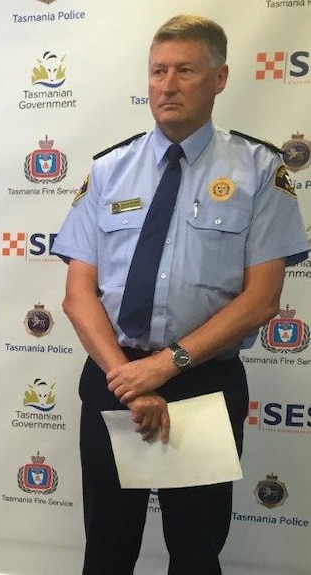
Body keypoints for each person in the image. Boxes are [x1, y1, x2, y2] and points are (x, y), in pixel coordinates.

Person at [51, 14, 309, 575]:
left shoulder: (260, 170)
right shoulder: (108, 171)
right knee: (107, 551)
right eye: (158, 71)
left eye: (185, 70)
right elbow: (78, 295)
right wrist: (128, 375)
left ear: (219, 79)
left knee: (195, 554)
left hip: (201, 384)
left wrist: (164, 368)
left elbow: (262, 299)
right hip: (112, 377)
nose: (167, 85)